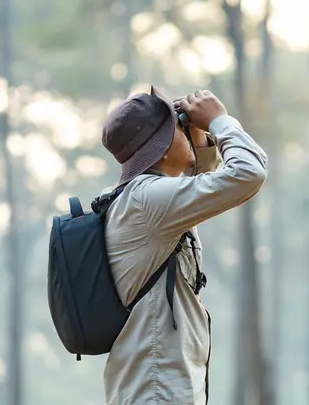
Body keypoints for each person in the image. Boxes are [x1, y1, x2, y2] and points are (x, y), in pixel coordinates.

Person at [99, 85, 267, 404]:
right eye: (176, 127)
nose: (183, 129)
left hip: (153, 391)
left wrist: (197, 137)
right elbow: (249, 173)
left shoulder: (144, 200)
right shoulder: (148, 200)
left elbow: (200, 186)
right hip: (157, 393)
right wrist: (220, 121)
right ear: (160, 147)